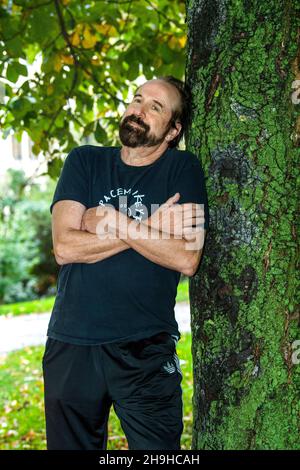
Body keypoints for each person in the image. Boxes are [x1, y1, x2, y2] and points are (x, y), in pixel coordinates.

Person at [42, 75, 209, 450]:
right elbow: (66, 247)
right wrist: (149, 228)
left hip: (146, 348)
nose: (138, 111)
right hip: (72, 344)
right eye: (137, 100)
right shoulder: (85, 161)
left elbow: (187, 257)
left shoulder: (183, 170)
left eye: (155, 107)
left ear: (172, 131)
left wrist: (112, 221)